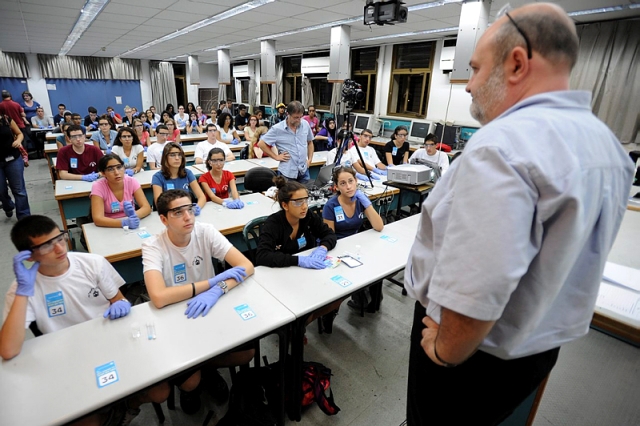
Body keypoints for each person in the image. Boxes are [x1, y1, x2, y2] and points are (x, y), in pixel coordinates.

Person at [404, 4, 635, 426]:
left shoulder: (502, 146)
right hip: (536, 350)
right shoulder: (609, 149)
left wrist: (445, 350)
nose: (469, 85)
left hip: (469, 355)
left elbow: (479, 282)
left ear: (516, 64)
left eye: (474, 69)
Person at [0, 215, 169, 425]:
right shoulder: (22, 289)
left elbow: (117, 298)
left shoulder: (92, 263)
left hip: (112, 342)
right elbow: (8, 350)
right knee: (86, 421)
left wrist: (121, 304)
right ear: (29, 256)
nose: (60, 249)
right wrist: (23, 294)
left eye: (59, 239)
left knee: (160, 391)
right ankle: (111, 412)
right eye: (46, 246)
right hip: (68, 359)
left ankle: (125, 408)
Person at [142, 189, 255, 414]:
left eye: (190, 209)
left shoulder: (205, 232)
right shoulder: (153, 246)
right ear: (163, 219)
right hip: (176, 314)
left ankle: (204, 367)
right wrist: (210, 283)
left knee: (247, 353)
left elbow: (247, 267)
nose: (188, 217)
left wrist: (219, 289)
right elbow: (159, 297)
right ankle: (194, 383)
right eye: (178, 212)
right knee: (190, 382)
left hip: (210, 306)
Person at [256, 176, 340, 331]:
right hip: (281, 278)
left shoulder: (307, 216)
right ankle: (296, 327)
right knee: (301, 310)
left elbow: (329, 234)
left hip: (306, 275)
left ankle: (303, 323)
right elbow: (262, 256)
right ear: (285, 205)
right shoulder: (273, 223)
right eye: (298, 202)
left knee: (337, 295)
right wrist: (298, 260)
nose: (304, 206)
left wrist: (323, 248)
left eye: (306, 200)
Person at [322, 166, 383, 310]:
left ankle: (370, 301)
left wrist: (367, 204)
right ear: (336, 187)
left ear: (356, 181)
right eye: (343, 183)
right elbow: (330, 236)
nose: (348, 187)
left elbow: (379, 226)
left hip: (356, 245)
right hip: (337, 247)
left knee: (377, 266)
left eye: (351, 181)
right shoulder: (331, 206)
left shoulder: (361, 200)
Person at [258, 101, 314, 183]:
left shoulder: (305, 124)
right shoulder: (277, 129)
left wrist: (309, 160)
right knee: (287, 195)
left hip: (303, 170)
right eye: (295, 117)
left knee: (306, 194)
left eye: (300, 117)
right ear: (288, 114)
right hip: (287, 172)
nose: (298, 120)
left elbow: (310, 142)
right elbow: (261, 144)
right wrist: (276, 157)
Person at [90, 154, 151, 228]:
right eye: (110, 169)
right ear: (103, 173)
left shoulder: (131, 181)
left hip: (131, 223)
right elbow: (98, 219)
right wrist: (124, 223)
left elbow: (146, 207)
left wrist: (133, 216)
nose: (116, 173)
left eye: (119, 167)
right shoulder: (98, 186)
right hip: (109, 226)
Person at [151, 143, 206, 210]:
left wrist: (197, 208)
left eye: (179, 155)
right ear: (165, 158)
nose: (177, 158)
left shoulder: (188, 173)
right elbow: (158, 204)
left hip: (186, 211)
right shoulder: (157, 177)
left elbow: (201, 197)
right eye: (172, 155)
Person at [0, 114, 30, 219]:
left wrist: (18, 141)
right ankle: (8, 206)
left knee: (19, 189)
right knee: (1, 190)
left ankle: (24, 216)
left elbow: (19, 133)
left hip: (13, 158)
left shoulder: (6, 119)